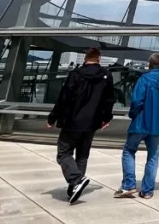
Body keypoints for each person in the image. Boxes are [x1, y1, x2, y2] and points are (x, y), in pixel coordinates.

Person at [46, 47, 114, 204]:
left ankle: (76, 180)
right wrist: (105, 119)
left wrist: (52, 118)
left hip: (72, 121)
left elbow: (63, 98)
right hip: (92, 123)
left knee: (63, 153)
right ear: (98, 59)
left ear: (85, 58)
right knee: (82, 155)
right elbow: (109, 99)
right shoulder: (106, 75)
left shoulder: (75, 75)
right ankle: (75, 187)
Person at [115, 53, 159, 200]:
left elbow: (137, 101)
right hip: (157, 125)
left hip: (141, 122)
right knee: (153, 156)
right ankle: (147, 191)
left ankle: (129, 185)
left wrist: (133, 114)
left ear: (149, 64)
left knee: (129, 150)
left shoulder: (144, 79)